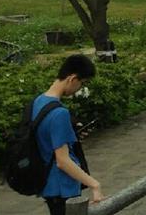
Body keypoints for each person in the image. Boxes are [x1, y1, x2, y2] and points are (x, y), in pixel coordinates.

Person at [34, 54, 103, 214]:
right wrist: (94, 185)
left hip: (47, 184)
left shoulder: (39, 102)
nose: (80, 88)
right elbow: (62, 161)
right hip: (62, 187)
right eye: (82, 83)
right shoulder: (60, 113)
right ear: (72, 79)